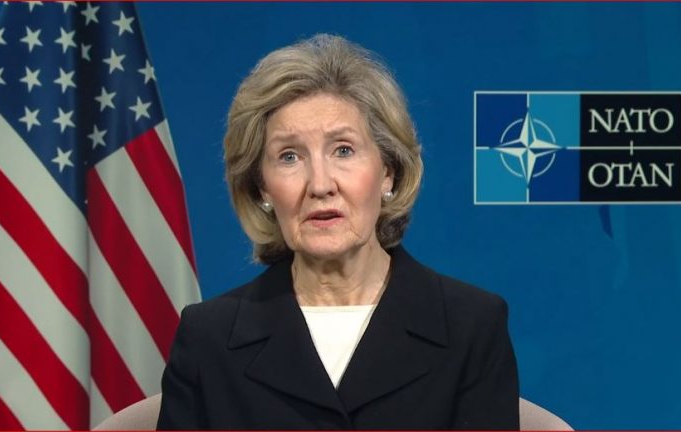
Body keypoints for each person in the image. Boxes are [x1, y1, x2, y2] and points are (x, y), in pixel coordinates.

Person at [157, 34, 519, 430]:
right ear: (262, 188)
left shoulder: (471, 327)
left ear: (388, 172)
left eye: (343, 150)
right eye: (289, 156)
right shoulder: (208, 338)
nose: (320, 184)